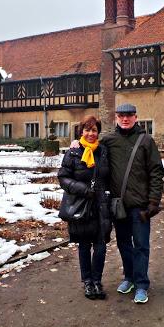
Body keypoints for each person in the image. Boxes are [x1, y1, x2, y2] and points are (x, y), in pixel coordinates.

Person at [103, 103, 164, 304]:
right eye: (121, 115)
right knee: (123, 244)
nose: (125, 119)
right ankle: (129, 277)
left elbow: (156, 171)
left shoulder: (146, 141)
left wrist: (154, 201)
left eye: (129, 115)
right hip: (119, 205)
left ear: (136, 117)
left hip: (140, 205)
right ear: (116, 118)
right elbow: (90, 147)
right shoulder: (109, 141)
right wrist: (77, 143)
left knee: (141, 246)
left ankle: (141, 284)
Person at [58, 115, 112, 300]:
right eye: (87, 130)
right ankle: (88, 282)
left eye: (94, 130)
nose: (91, 133)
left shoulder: (103, 151)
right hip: (82, 205)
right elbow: (63, 177)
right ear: (81, 132)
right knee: (83, 246)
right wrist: (82, 189)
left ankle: (97, 281)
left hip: (101, 206)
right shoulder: (73, 152)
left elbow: (109, 175)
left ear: (98, 132)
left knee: (101, 246)